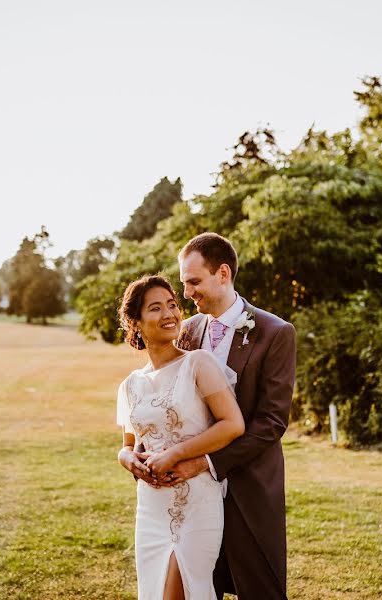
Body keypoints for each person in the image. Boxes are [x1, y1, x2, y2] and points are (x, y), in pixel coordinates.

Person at [166, 232, 296, 599]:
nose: (187, 293)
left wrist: (207, 461)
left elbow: (272, 422)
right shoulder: (187, 333)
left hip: (249, 490)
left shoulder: (275, 333)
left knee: (259, 589)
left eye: (194, 282)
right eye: (184, 284)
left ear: (223, 274)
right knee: (197, 588)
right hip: (192, 495)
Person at [116, 275, 245, 600]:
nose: (169, 314)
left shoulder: (198, 363)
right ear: (136, 322)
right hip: (151, 508)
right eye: (156, 308)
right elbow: (128, 446)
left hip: (197, 502)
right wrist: (129, 459)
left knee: (184, 590)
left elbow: (232, 424)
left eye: (172, 305)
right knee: (155, 592)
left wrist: (175, 455)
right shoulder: (130, 384)